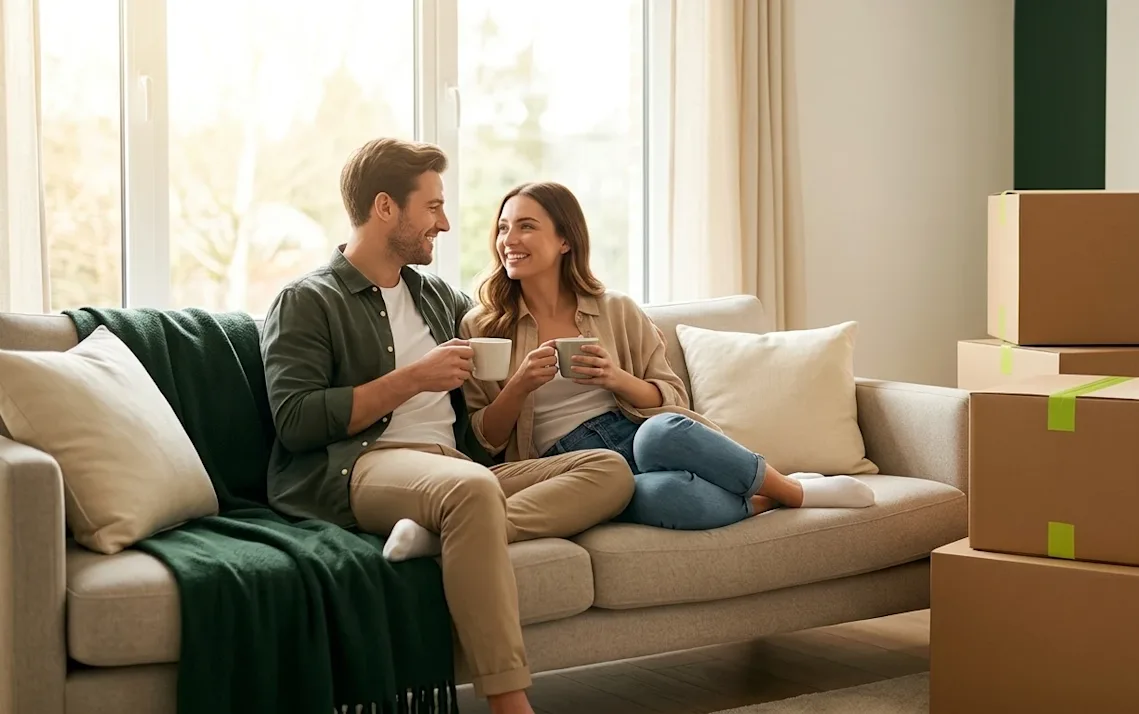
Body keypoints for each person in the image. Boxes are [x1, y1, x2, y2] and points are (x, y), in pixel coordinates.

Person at [260, 140, 634, 714]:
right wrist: (413, 378)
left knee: (609, 470)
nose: (446, 222)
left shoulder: (437, 297)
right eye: (432, 207)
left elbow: (509, 308)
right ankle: (511, 702)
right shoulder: (308, 300)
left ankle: (452, 532)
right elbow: (295, 421)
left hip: (455, 471)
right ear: (386, 208)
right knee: (471, 490)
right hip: (364, 463)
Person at [455, 181, 876, 532]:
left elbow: (674, 400)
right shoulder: (483, 326)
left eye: (526, 227)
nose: (508, 240)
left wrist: (615, 378)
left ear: (565, 239)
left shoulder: (615, 309)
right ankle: (765, 500)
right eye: (503, 228)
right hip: (572, 467)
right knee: (667, 497)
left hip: (634, 433)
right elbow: (483, 438)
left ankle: (795, 490)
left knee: (662, 432)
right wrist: (520, 384)